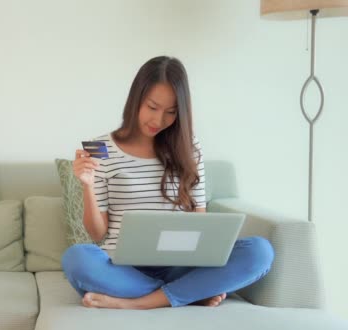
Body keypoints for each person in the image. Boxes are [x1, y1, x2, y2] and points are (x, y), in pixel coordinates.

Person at [62, 56, 275, 310]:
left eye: (171, 112)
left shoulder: (189, 147)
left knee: (260, 252)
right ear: (136, 99)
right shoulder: (102, 148)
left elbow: (201, 223)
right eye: (152, 107)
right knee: (77, 259)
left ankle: (138, 303)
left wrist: (202, 261)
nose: (158, 120)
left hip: (181, 266)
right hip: (124, 268)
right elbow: (97, 233)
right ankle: (190, 293)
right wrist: (87, 185)